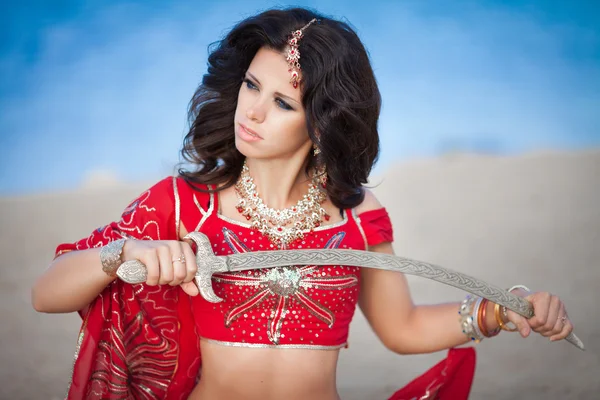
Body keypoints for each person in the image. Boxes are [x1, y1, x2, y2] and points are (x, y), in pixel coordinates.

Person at [31, 7, 574, 400]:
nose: (253, 111)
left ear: (323, 123)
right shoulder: (184, 204)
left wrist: (498, 310)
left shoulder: (359, 220)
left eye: (283, 102)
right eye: (250, 85)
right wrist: (123, 253)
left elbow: (402, 328)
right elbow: (46, 292)